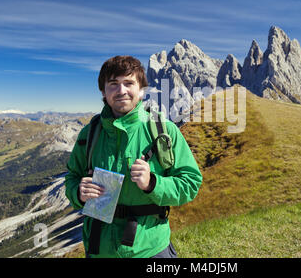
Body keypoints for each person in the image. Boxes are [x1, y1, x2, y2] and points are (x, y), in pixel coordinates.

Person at [64, 55, 202, 258]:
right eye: (113, 84)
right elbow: (72, 178)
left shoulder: (164, 131)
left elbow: (190, 184)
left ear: (142, 89)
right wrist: (78, 193)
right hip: (99, 249)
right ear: (103, 91)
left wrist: (152, 183)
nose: (121, 91)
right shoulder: (91, 132)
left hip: (149, 249)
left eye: (129, 83)